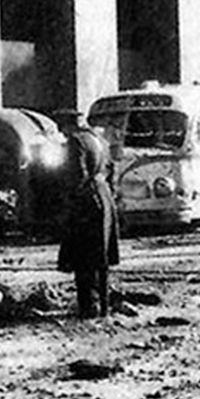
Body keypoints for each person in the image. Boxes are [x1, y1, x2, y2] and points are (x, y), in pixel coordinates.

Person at [57, 112, 120, 318]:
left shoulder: (75, 142)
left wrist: (68, 199)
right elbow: (112, 170)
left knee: (82, 257)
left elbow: (77, 175)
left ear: (66, 126)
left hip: (85, 203)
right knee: (100, 256)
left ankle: (88, 308)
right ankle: (104, 305)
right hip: (104, 198)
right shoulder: (98, 139)